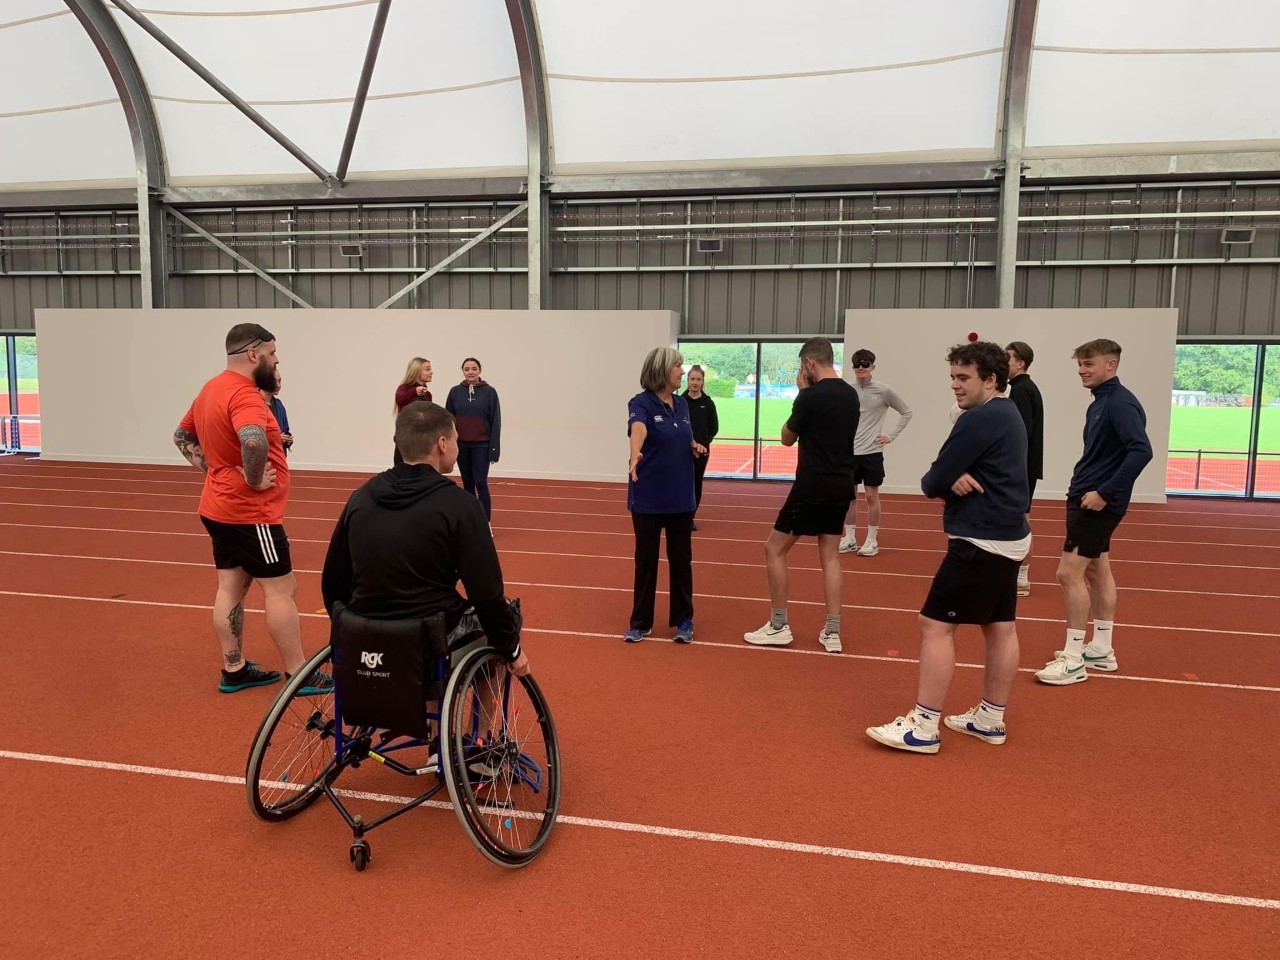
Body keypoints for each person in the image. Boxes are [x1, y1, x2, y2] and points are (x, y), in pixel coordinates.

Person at [866, 341, 1029, 754]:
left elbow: (932, 481)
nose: (955, 386)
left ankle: (923, 726)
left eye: (963, 378)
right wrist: (953, 474)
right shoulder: (1007, 411)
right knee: (1000, 626)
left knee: (935, 626)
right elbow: (950, 473)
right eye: (952, 377)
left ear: (991, 379)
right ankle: (990, 719)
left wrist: (948, 476)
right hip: (1008, 537)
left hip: (980, 539)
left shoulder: (980, 420)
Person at [172, 323, 328, 695]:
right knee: (281, 589)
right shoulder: (244, 394)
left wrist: (216, 471)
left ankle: (235, 669)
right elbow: (254, 441)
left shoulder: (212, 387)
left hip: (218, 506)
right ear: (253, 354)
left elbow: (181, 436)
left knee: (230, 586)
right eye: (273, 354)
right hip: (251, 513)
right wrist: (254, 479)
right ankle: (297, 673)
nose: (275, 361)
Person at [320, 401, 528, 679]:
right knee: (504, 620)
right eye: (456, 439)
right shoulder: (461, 505)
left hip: (365, 631)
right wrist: (512, 649)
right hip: (429, 638)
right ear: (442, 443)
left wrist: (351, 624)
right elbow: (486, 591)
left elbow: (333, 579)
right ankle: (488, 722)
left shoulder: (361, 496)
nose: (457, 445)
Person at [1035, 338, 1152, 686]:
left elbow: (1141, 451)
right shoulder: (1102, 402)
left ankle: (1073, 659)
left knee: (1067, 574)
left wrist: (1105, 492)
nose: (1082, 371)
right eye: (1080, 365)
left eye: (1089, 364)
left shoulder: (1119, 403)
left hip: (1095, 503)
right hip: (1088, 497)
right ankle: (1100, 649)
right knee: (1097, 570)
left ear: (1111, 365)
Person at [744, 337, 858, 653]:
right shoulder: (851, 395)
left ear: (809, 363)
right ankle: (832, 631)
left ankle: (779, 625)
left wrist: (801, 394)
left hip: (811, 485)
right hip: (842, 485)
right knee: (831, 556)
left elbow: (786, 438)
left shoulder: (809, 397)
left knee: (774, 549)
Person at [624, 347, 701, 644]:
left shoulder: (682, 404)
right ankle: (640, 622)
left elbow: (681, 433)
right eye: (678, 367)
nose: (682, 372)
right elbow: (638, 429)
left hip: (681, 497)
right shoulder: (640, 403)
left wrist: (693, 444)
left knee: (681, 560)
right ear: (661, 370)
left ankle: (684, 620)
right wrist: (634, 456)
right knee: (646, 561)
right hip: (648, 498)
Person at [839, 349, 913, 557]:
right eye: (857, 364)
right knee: (849, 497)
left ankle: (871, 540)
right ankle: (850, 538)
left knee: (872, 496)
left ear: (873, 366)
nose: (861, 368)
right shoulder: (847, 390)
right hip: (849, 453)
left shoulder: (884, 390)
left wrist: (890, 436)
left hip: (872, 453)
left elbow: (907, 412)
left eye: (865, 364)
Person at [1005, 341, 1044, 596]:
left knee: (1020, 521)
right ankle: (1017, 575)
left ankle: (1021, 577)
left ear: (1020, 363)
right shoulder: (1025, 388)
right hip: (1024, 466)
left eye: (1007, 359)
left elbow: (1019, 433)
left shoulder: (1020, 391)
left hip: (1020, 468)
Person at [445, 358, 501, 525]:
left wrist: (494, 449)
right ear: (463, 371)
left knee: (480, 482)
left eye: (474, 368)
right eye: (467, 369)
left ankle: (486, 523)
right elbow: (448, 420)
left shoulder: (490, 392)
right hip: (462, 445)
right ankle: (471, 523)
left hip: (482, 445)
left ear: (479, 371)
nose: (471, 372)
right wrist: (448, 445)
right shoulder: (455, 392)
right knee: (467, 483)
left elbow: (495, 422)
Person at [681, 364, 719, 531]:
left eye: (698, 379)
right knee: (680, 483)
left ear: (703, 382)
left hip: (702, 452)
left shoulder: (708, 403)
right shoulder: (680, 402)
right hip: (682, 451)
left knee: (696, 483)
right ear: (687, 381)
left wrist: (704, 442)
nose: (695, 382)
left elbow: (714, 427)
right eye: (692, 379)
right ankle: (677, 516)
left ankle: (690, 517)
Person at [392, 357, 432, 465]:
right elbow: (400, 399)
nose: (431, 372)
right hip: (405, 440)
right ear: (417, 371)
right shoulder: (404, 388)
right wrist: (415, 391)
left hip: (421, 441)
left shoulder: (428, 394)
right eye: (427, 369)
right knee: (401, 472)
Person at [261, 366, 293, 457]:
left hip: (279, 457)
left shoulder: (279, 405)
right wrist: (275, 438)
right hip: (263, 459)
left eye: (279, 381)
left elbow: (285, 429)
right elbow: (252, 436)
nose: (278, 385)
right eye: (275, 381)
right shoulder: (255, 405)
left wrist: (288, 439)